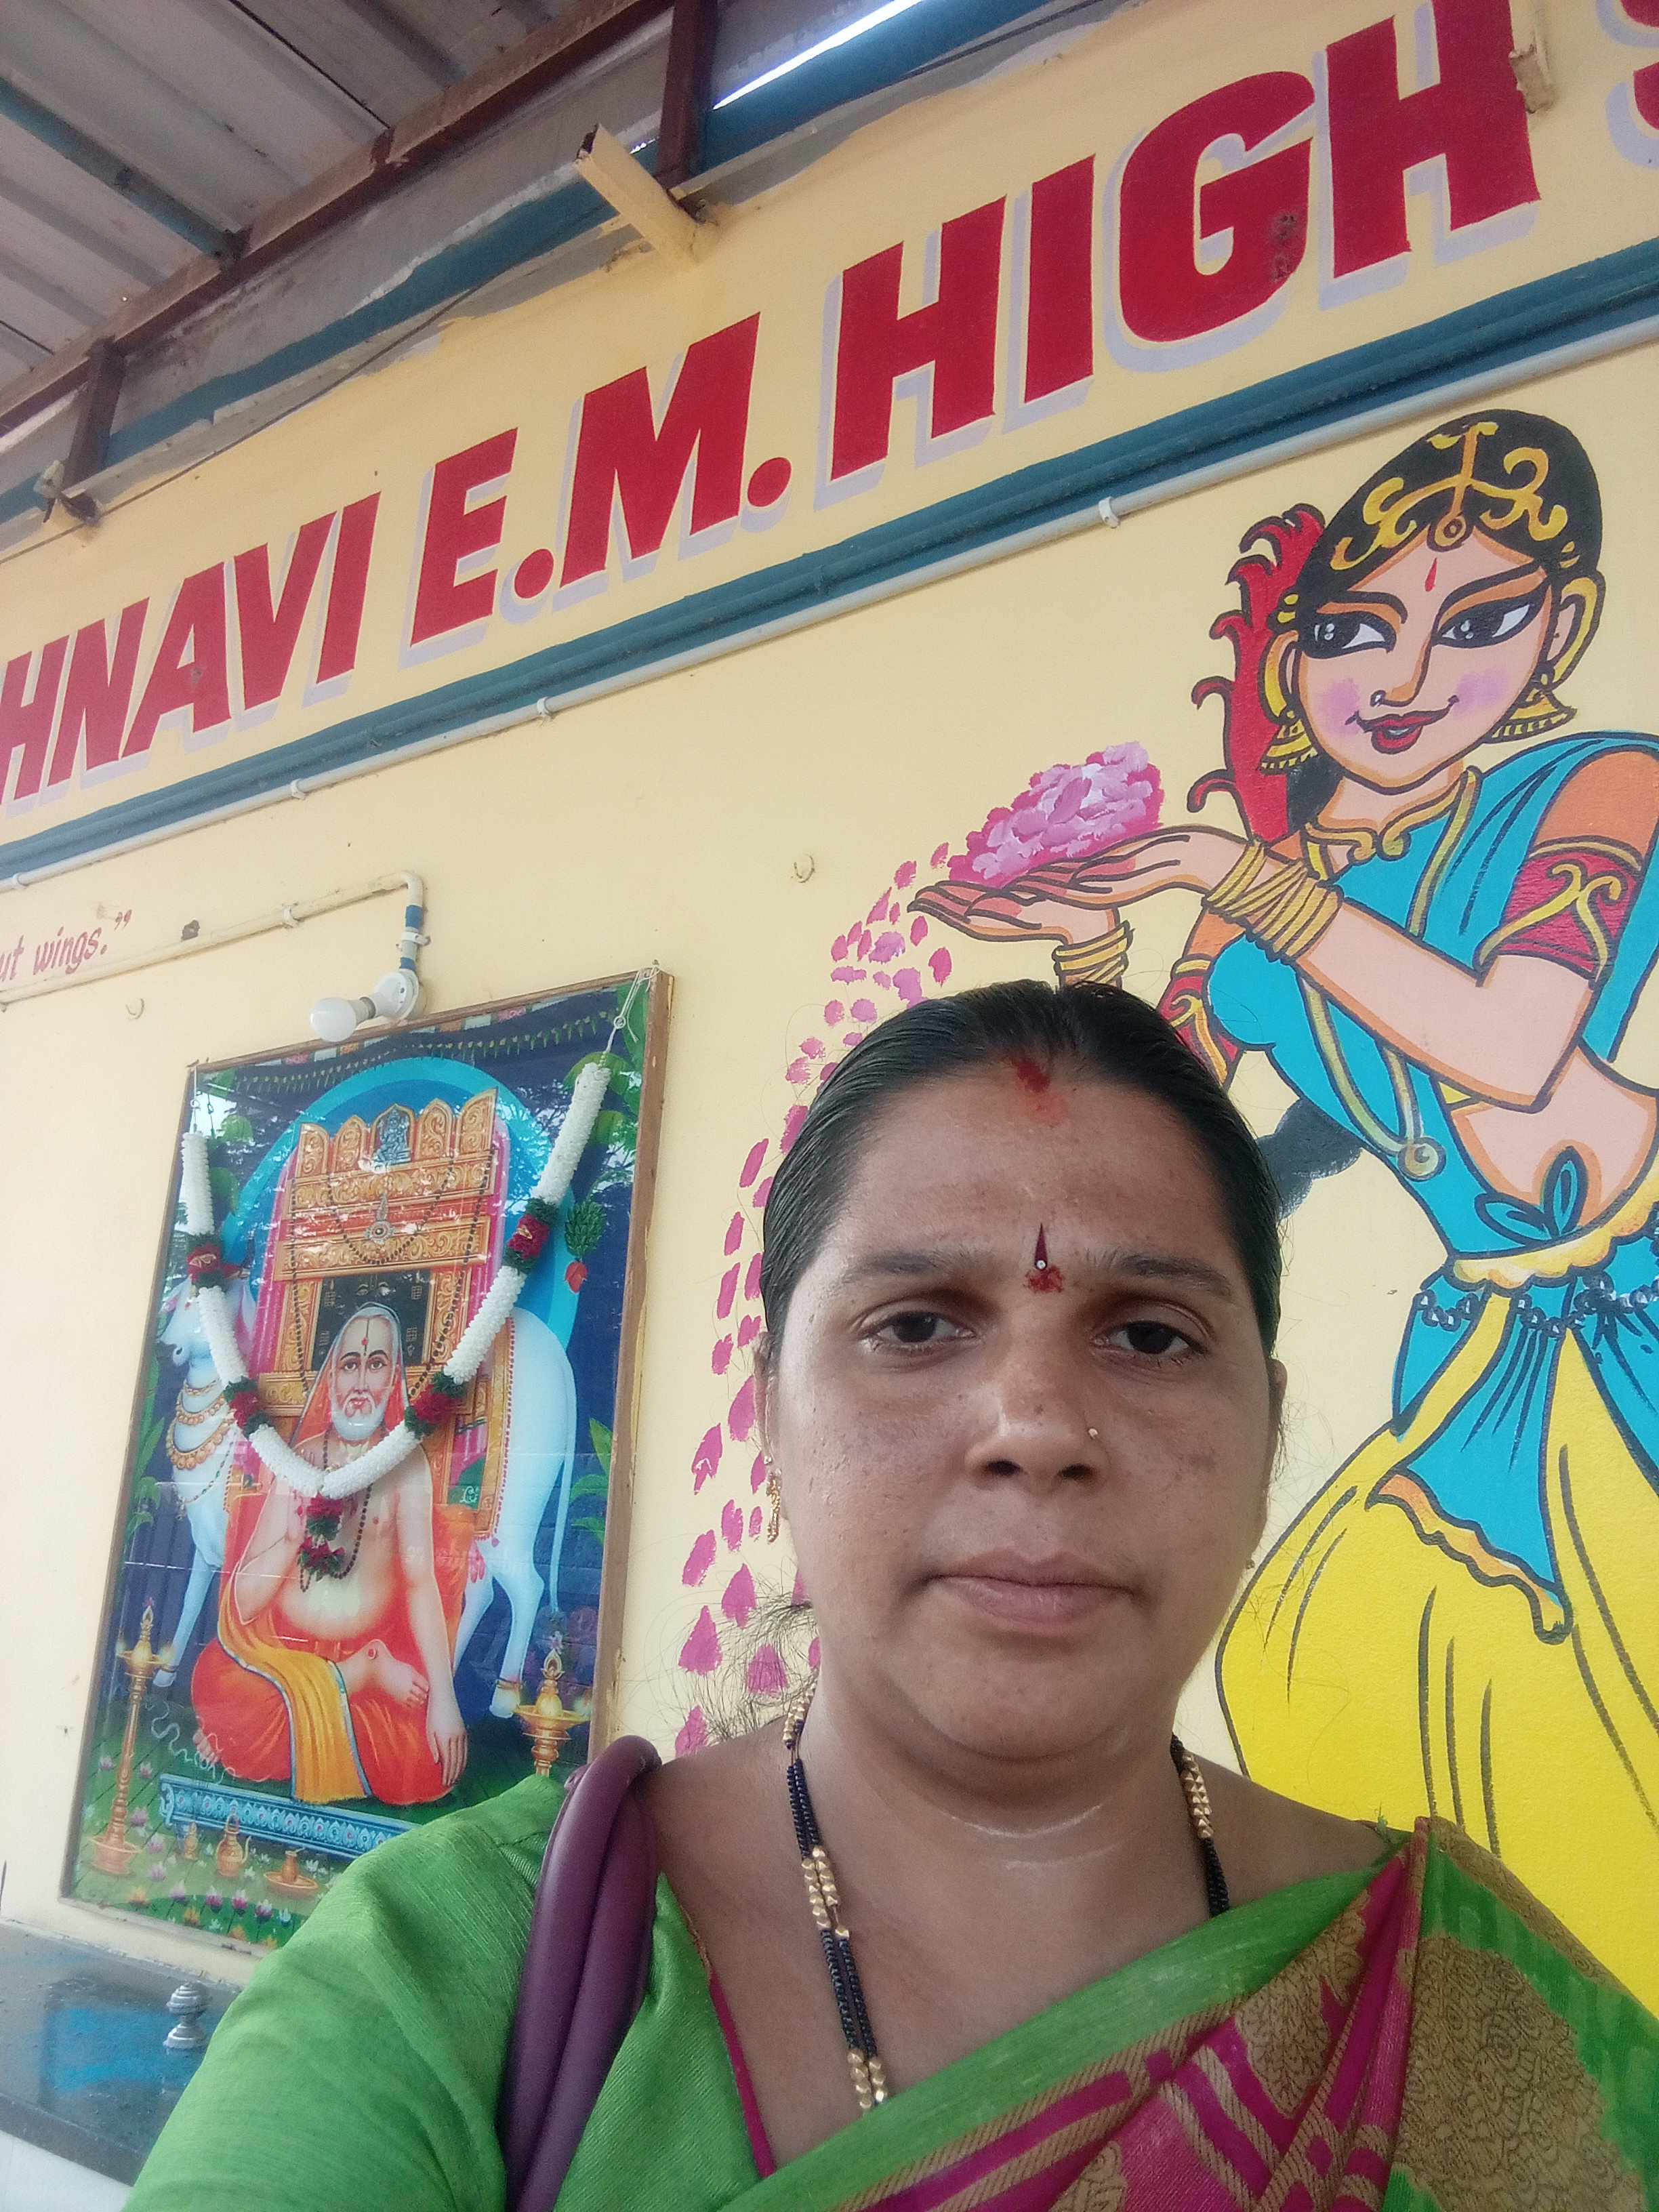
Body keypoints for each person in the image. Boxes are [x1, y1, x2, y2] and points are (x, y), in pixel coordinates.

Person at [129, 985, 1658, 2210]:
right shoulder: (439, 1982)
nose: (1035, 1426)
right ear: (769, 1419)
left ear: (1266, 1434)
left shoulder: (1481, 2012)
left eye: (1150, 1335)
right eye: (917, 1323)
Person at [913, 412, 1659, 2005]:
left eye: (1476, 622)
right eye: (1354, 631)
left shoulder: (1598, 785)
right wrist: (1091, 947)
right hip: (1488, 1338)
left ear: (1562, 633)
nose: (1402, 679)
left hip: (1636, 1302)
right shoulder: (1268, 883)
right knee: (1316, 1668)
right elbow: (1142, 1149)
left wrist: (1227, 875)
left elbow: (1511, 1045)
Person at [190, 1303, 469, 1805]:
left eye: (376, 1363)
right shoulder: (295, 1462)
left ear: (393, 1379)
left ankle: (340, 1686)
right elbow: (244, 1604)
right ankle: (354, 1673)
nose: (360, 1382)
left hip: (371, 1685)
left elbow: (421, 1584)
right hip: (283, 1662)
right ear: (332, 1377)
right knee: (218, 1684)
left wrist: (445, 1700)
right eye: (349, 1364)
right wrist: (291, 1540)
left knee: (418, 1762)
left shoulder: (407, 1468)